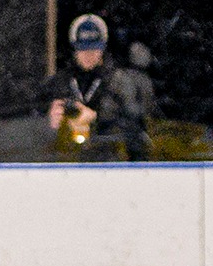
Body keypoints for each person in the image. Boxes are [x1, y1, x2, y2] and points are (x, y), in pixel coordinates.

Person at [45, 13, 153, 161]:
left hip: (110, 163)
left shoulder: (119, 81)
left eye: (94, 49)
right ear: (74, 49)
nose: (88, 55)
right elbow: (33, 126)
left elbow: (137, 130)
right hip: (69, 163)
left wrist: (95, 119)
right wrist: (51, 123)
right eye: (83, 49)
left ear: (103, 49)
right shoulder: (61, 82)